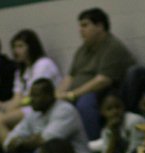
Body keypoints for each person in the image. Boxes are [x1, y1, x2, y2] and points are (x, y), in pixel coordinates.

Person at [0, 30, 63, 153]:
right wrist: (1, 107)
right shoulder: (22, 70)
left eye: (20, 46)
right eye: (14, 47)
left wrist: (4, 111)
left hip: (42, 108)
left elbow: (34, 96)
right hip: (27, 107)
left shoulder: (43, 64)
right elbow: (17, 98)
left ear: (32, 47)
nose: (16, 51)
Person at [57, 8, 136, 139]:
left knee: (85, 103)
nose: (80, 30)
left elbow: (102, 80)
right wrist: (58, 94)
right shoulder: (82, 50)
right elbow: (70, 77)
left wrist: (73, 94)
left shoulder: (112, 46)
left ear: (100, 26)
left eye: (85, 25)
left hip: (105, 91)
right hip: (78, 92)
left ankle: (92, 144)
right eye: (80, 26)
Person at [5, 78, 98, 153]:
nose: (30, 100)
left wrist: (23, 142)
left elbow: (45, 141)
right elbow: (9, 141)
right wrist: (23, 142)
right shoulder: (34, 114)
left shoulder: (65, 110)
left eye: (35, 96)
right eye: (31, 96)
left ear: (49, 96)